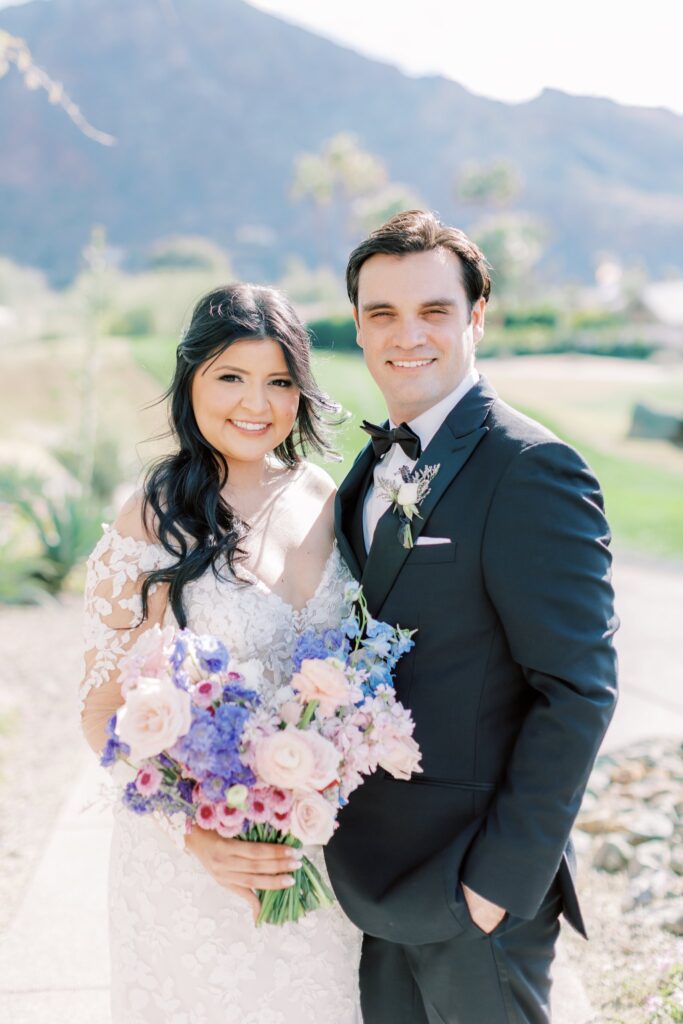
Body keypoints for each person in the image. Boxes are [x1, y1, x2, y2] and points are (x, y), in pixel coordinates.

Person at [326, 210, 619, 1024]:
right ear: (357, 326)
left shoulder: (531, 468)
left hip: (473, 887)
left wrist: (495, 884)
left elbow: (578, 691)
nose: (405, 334)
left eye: (433, 311)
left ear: (476, 317)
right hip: (376, 879)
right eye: (381, 313)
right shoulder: (366, 470)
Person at [80, 284, 362, 1024]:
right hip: (192, 864)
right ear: (191, 380)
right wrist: (194, 833)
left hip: (312, 847)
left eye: (277, 381)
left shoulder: (326, 496)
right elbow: (102, 708)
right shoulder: (152, 512)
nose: (255, 403)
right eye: (230, 377)